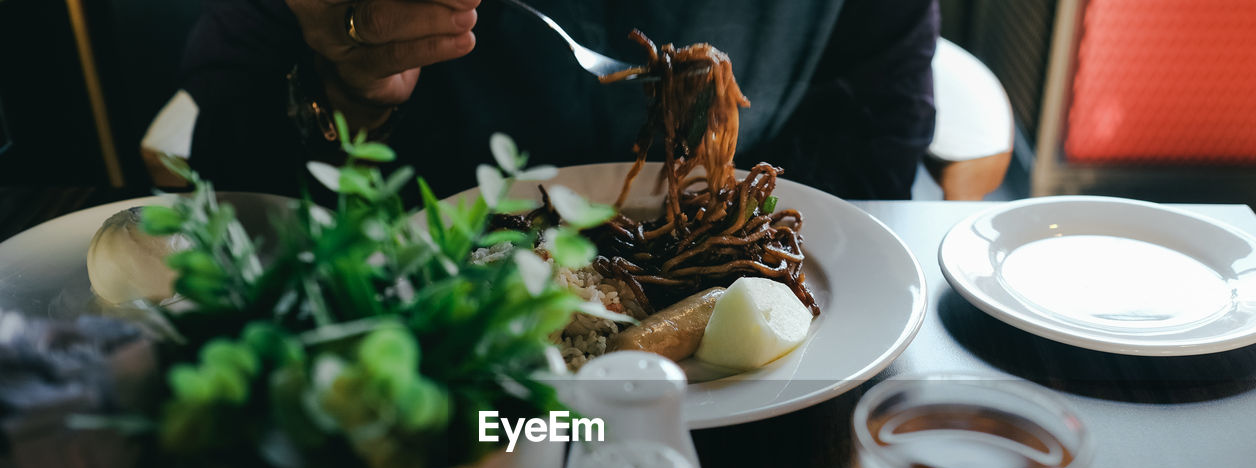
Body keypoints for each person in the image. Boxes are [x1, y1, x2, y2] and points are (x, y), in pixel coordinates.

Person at [181, 0, 938, 201]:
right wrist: (342, 96)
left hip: (750, 419)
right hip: (451, 398)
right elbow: (235, 164)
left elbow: (870, 170)